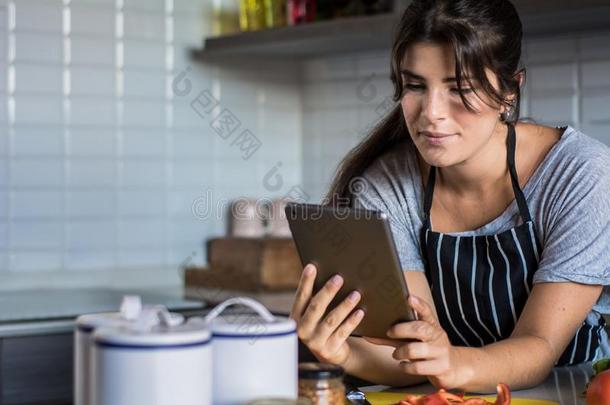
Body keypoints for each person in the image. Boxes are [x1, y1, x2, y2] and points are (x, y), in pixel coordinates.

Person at [289, 0, 610, 392]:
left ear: (510, 90)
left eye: (460, 88)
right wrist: (343, 354)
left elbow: (539, 346)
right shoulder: (387, 186)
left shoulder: (581, 174)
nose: (431, 114)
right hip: (448, 396)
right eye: (415, 86)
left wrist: (451, 363)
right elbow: (411, 352)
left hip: (570, 391)